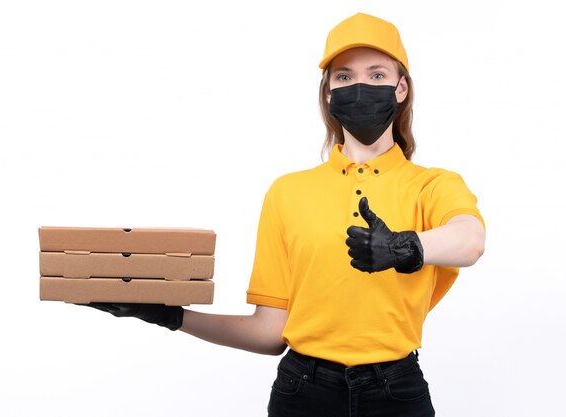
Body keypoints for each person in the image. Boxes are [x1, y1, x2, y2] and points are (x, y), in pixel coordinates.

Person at [84, 12, 486, 417]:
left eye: (377, 75)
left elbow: (469, 239)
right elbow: (270, 334)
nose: (360, 87)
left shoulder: (432, 184)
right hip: (303, 392)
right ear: (328, 93)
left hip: (397, 394)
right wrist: (171, 316)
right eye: (344, 77)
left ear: (401, 89)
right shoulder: (288, 192)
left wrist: (404, 246)